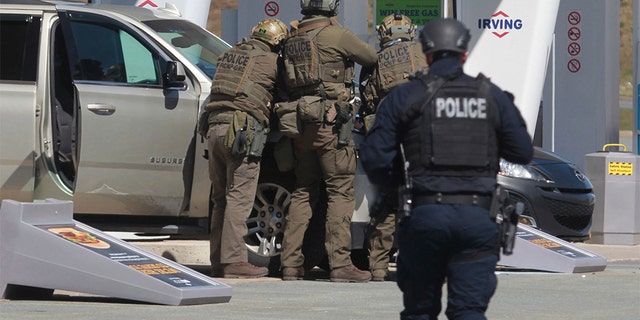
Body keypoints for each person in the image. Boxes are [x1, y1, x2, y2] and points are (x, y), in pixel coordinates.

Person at [359, 18, 533, 319]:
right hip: (477, 218)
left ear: (426, 55)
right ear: (465, 54)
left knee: (420, 311)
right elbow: (522, 151)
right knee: (468, 311)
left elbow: (375, 157)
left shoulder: (405, 96)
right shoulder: (491, 96)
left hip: (426, 216)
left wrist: (398, 184)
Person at [279, 0, 378, 282]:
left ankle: (290, 264)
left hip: (299, 125)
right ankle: (340, 264)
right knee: (340, 193)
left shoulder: (292, 36)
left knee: (303, 191)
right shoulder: (337, 34)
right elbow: (370, 57)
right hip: (331, 125)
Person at [203, 18, 288, 279]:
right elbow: (284, 94)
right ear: (277, 42)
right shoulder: (272, 61)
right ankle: (235, 262)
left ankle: (218, 260)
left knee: (220, 199)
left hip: (214, 127)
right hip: (241, 131)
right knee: (239, 198)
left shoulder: (229, 55)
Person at [358, 13, 428, 282]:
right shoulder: (426, 51)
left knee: (387, 201)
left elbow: (367, 100)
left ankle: (378, 266)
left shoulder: (375, 62)